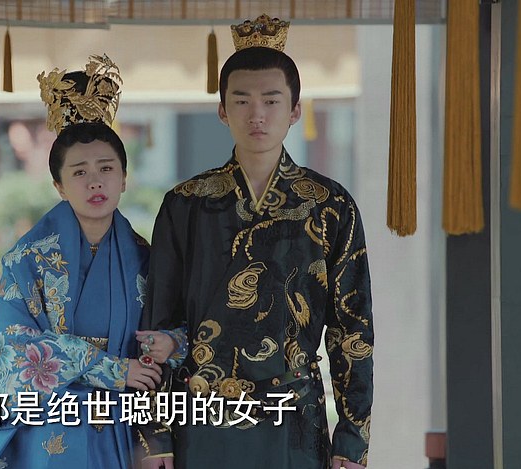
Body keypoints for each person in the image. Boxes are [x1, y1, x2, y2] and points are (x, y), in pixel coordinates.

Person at [136, 15, 374, 469]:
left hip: (294, 417)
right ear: (222, 110)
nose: (256, 114)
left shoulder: (330, 205)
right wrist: (153, 435)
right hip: (201, 416)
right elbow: (158, 321)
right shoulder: (186, 204)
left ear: (295, 110)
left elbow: (353, 330)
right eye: (241, 100)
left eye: (271, 100)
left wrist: (352, 437)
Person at [0, 54, 180, 469]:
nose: (95, 181)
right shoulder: (26, 259)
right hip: (46, 426)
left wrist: (171, 343)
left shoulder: (148, 259)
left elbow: (179, 329)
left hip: (119, 427)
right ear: (59, 185)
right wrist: (113, 369)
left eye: (106, 168)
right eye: (79, 172)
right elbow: (16, 351)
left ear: (124, 178)